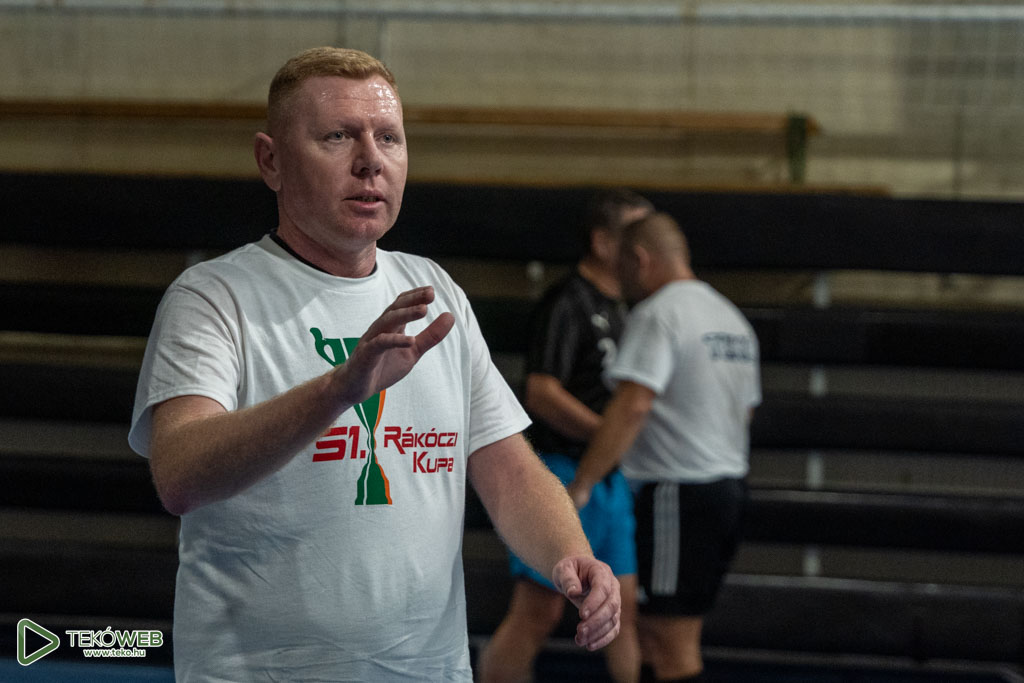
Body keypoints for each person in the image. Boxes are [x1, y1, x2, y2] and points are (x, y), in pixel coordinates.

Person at [128, 46, 621, 682]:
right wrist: (338, 390)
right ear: (271, 161)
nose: (370, 161)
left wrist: (570, 554)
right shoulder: (214, 298)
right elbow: (179, 475)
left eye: (388, 137)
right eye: (337, 136)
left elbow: (507, 467)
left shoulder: (434, 291)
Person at [567, 212, 761, 683]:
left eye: (624, 270)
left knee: (667, 641)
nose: (623, 284)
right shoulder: (730, 318)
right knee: (663, 639)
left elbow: (633, 405)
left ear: (640, 259)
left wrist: (583, 484)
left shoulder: (660, 313)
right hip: (725, 488)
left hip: (677, 493)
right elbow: (747, 410)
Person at [478, 189, 652, 683]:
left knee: (624, 615)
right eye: (634, 233)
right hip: (564, 473)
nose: (645, 245)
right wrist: (608, 434)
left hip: (609, 478)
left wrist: (612, 445)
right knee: (538, 611)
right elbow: (541, 391)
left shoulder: (627, 309)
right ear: (602, 242)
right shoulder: (567, 302)